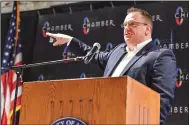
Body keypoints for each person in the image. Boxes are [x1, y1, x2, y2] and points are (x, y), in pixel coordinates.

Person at [46, 7, 176, 124]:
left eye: (132, 24)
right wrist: (69, 40)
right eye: (125, 24)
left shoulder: (160, 56)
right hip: (103, 118)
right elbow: (93, 55)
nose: (127, 28)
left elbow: (161, 100)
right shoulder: (118, 50)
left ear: (147, 28)